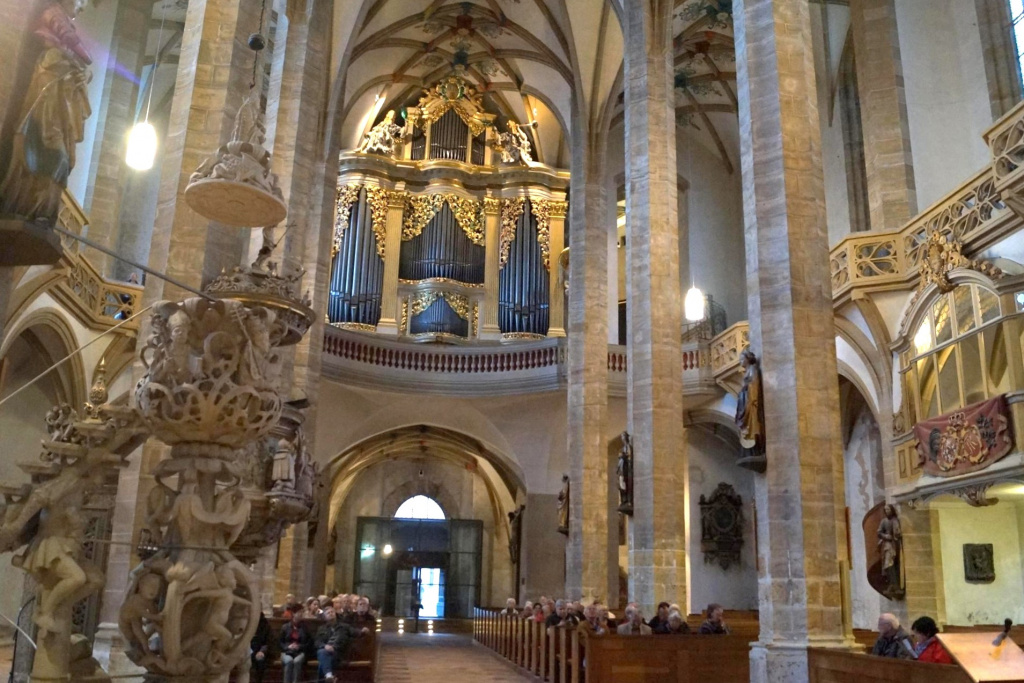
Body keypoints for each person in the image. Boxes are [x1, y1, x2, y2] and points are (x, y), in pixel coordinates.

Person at [315, 607, 368, 681]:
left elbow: (355, 632)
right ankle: (329, 677)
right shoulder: (322, 629)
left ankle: (328, 676)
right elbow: (317, 642)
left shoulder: (344, 626)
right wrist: (325, 646)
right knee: (323, 654)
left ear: (335, 614)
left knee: (322, 658)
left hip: (339, 653)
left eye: (332, 612)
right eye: (328, 613)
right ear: (325, 617)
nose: (331, 614)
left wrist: (362, 631)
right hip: (327, 653)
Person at [279, 610, 312, 683]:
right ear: (293, 614)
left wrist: (299, 646)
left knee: (297, 661)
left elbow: (309, 642)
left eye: (301, 613)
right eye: (298, 612)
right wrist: (288, 646)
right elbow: (280, 642)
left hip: (300, 651)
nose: (300, 614)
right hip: (287, 651)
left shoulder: (305, 628)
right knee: (289, 661)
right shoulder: (285, 627)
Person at [249, 611, 270, 683]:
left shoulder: (265, 624)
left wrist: (262, 651)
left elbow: (268, 641)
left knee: (260, 660)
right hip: (248, 649)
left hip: (260, 650)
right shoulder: (247, 623)